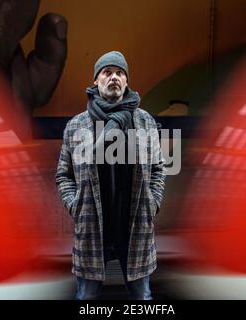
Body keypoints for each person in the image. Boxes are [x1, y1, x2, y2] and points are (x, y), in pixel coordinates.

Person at [56, 51, 166, 300]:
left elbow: (158, 168)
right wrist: (76, 207)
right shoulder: (77, 126)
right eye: (107, 72)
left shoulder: (144, 122)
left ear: (126, 82)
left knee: (141, 299)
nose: (114, 77)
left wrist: (152, 203)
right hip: (93, 229)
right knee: (87, 298)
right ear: (96, 80)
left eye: (120, 73)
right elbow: (64, 175)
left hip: (135, 228)